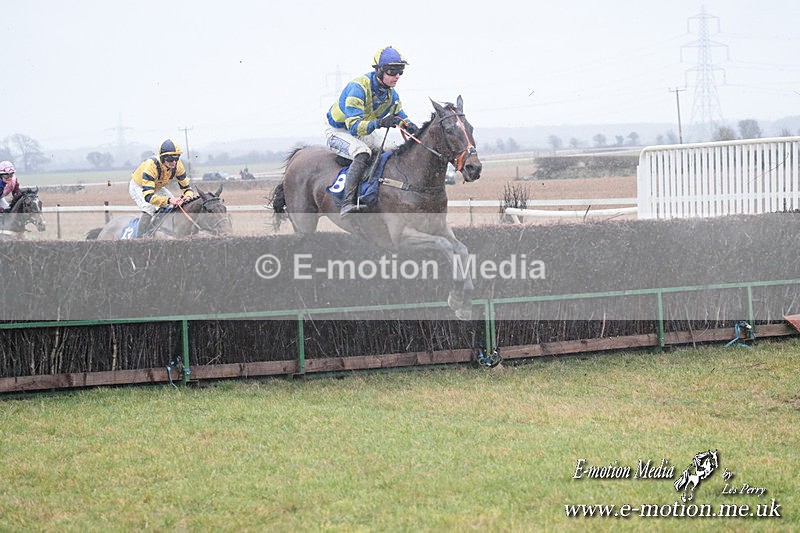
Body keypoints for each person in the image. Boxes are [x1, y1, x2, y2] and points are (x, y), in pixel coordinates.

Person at [326, 46, 420, 217]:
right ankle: (347, 202)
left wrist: (409, 125)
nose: (397, 76)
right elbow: (354, 126)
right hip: (340, 130)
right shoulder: (358, 88)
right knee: (362, 152)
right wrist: (380, 122)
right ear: (379, 70)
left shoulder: (391, 94)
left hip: (362, 130)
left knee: (393, 151)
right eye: (393, 71)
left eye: (401, 71)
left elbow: (399, 114)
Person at [129, 139, 194, 237]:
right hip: (139, 186)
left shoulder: (178, 166)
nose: (174, 162)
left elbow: (187, 188)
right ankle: (139, 239)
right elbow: (148, 197)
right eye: (170, 159)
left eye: (176, 158)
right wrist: (169, 200)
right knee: (149, 208)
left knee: (174, 207)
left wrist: (188, 197)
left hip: (156, 186)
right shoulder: (151, 165)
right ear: (162, 158)